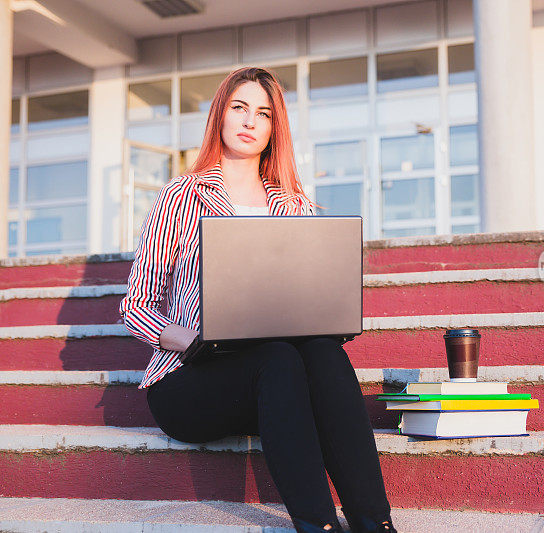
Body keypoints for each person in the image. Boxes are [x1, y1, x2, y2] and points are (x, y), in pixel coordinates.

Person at [118, 67, 396, 533]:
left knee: (322, 352)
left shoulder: (295, 205)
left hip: (277, 378)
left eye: (263, 113)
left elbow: (310, 293)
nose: (250, 121)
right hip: (193, 378)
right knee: (278, 359)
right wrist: (193, 340)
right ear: (220, 117)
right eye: (239, 108)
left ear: (273, 128)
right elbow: (135, 305)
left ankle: (374, 521)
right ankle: (317, 525)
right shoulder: (180, 197)